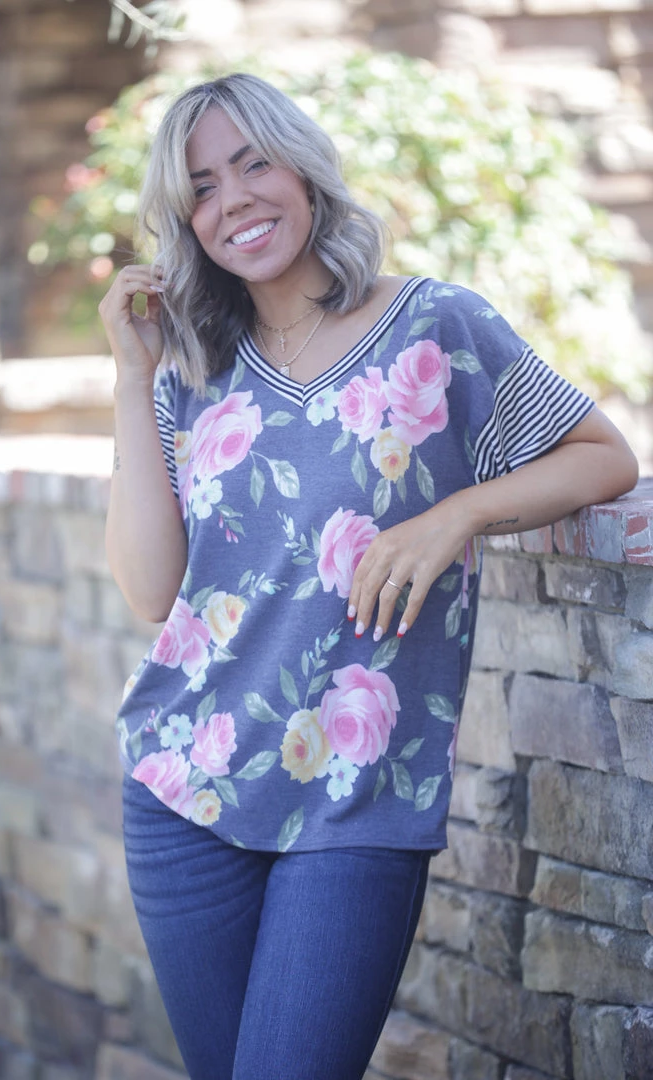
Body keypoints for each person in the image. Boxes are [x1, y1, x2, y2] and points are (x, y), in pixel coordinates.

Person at [98, 73, 639, 1080]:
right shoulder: (189, 370)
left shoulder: (437, 325)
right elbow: (147, 592)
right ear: (185, 222)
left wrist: (454, 514)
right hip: (184, 790)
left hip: (360, 796)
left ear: (304, 170)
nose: (234, 200)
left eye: (254, 164)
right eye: (201, 189)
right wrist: (133, 377)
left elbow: (602, 457)